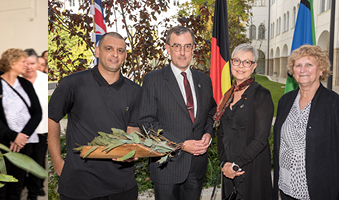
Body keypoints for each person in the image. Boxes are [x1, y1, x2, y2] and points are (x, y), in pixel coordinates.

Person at [48, 32, 143, 200]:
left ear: (125, 56)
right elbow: (51, 118)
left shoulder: (135, 91)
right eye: (109, 48)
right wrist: (57, 161)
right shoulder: (73, 83)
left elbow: (133, 128)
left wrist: (131, 150)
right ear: (97, 51)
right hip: (79, 185)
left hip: (122, 186)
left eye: (120, 50)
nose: (115, 54)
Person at [270, 45, 339, 200]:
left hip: (320, 192)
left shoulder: (335, 104)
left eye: (309, 64)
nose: (302, 69)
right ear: (293, 71)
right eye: (298, 65)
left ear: (321, 70)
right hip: (286, 189)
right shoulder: (285, 101)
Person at [136, 26, 216, 200]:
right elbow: (146, 123)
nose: (182, 52)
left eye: (187, 46)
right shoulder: (153, 80)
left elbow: (211, 113)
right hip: (167, 166)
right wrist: (180, 144)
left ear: (193, 48)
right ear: (168, 48)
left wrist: (208, 134)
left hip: (196, 166)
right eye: (176, 46)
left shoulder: (204, 80)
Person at [215, 44, 276, 200]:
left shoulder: (262, 95)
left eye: (247, 62)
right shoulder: (228, 94)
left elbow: (261, 139)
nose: (241, 66)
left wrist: (236, 165)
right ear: (231, 63)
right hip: (229, 170)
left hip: (250, 169)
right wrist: (225, 164)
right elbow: (221, 133)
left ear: (254, 66)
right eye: (237, 61)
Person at [0, 48, 43, 200]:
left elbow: (37, 113)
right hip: (2, 144)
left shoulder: (25, 84)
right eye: (22, 62)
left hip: (24, 143)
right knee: (0, 183)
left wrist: (23, 136)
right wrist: (13, 136)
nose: (26, 65)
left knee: (17, 182)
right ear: (11, 63)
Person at [23, 49, 50, 200]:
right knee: (20, 165)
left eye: (32, 63)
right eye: (25, 63)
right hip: (21, 133)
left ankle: (32, 195)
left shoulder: (45, 80)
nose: (29, 67)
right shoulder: (16, 80)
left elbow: (51, 109)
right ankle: (19, 189)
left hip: (41, 131)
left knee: (37, 164)